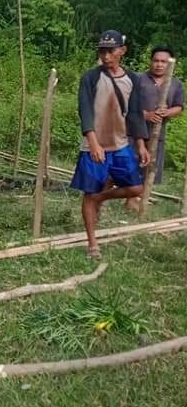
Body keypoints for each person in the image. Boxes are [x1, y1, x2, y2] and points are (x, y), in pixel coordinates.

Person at [70, 30, 150, 258]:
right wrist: (93, 143)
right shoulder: (91, 77)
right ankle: (93, 244)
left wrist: (142, 145)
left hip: (121, 144)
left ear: (122, 51)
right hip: (94, 146)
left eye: (110, 51)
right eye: (102, 52)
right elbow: (85, 111)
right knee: (89, 191)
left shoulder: (132, 79)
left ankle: (101, 198)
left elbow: (134, 114)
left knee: (136, 188)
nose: (106, 57)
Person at [135, 46, 184, 184]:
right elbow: (127, 105)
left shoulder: (176, 84)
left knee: (150, 167)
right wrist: (146, 115)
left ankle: (139, 197)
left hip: (157, 133)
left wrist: (167, 112)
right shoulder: (138, 79)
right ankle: (127, 196)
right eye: (156, 61)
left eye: (163, 62)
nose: (159, 65)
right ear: (150, 61)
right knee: (129, 165)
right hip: (134, 131)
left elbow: (179, 107)